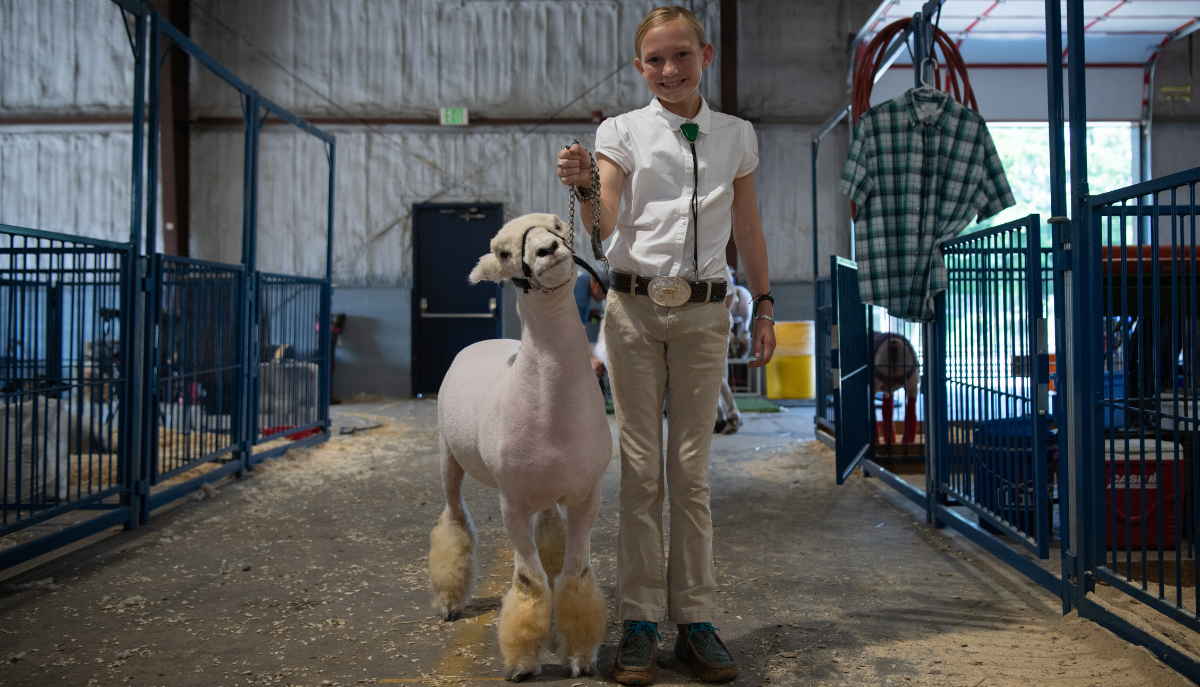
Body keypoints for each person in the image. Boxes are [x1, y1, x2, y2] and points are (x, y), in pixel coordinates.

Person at [556, 6, 776, 684]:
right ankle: (641, 620)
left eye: (681, 55)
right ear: (638, 66)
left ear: (705, 56)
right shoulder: (619, 131)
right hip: (633, 311)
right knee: (642, 470)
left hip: (706, 315)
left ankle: (697, 619)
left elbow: (749, 226)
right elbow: (607, 221)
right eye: (655, 59)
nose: (669, 69)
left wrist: (764, 304)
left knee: (691, 471)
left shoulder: (737, 136)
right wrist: (588, 184)